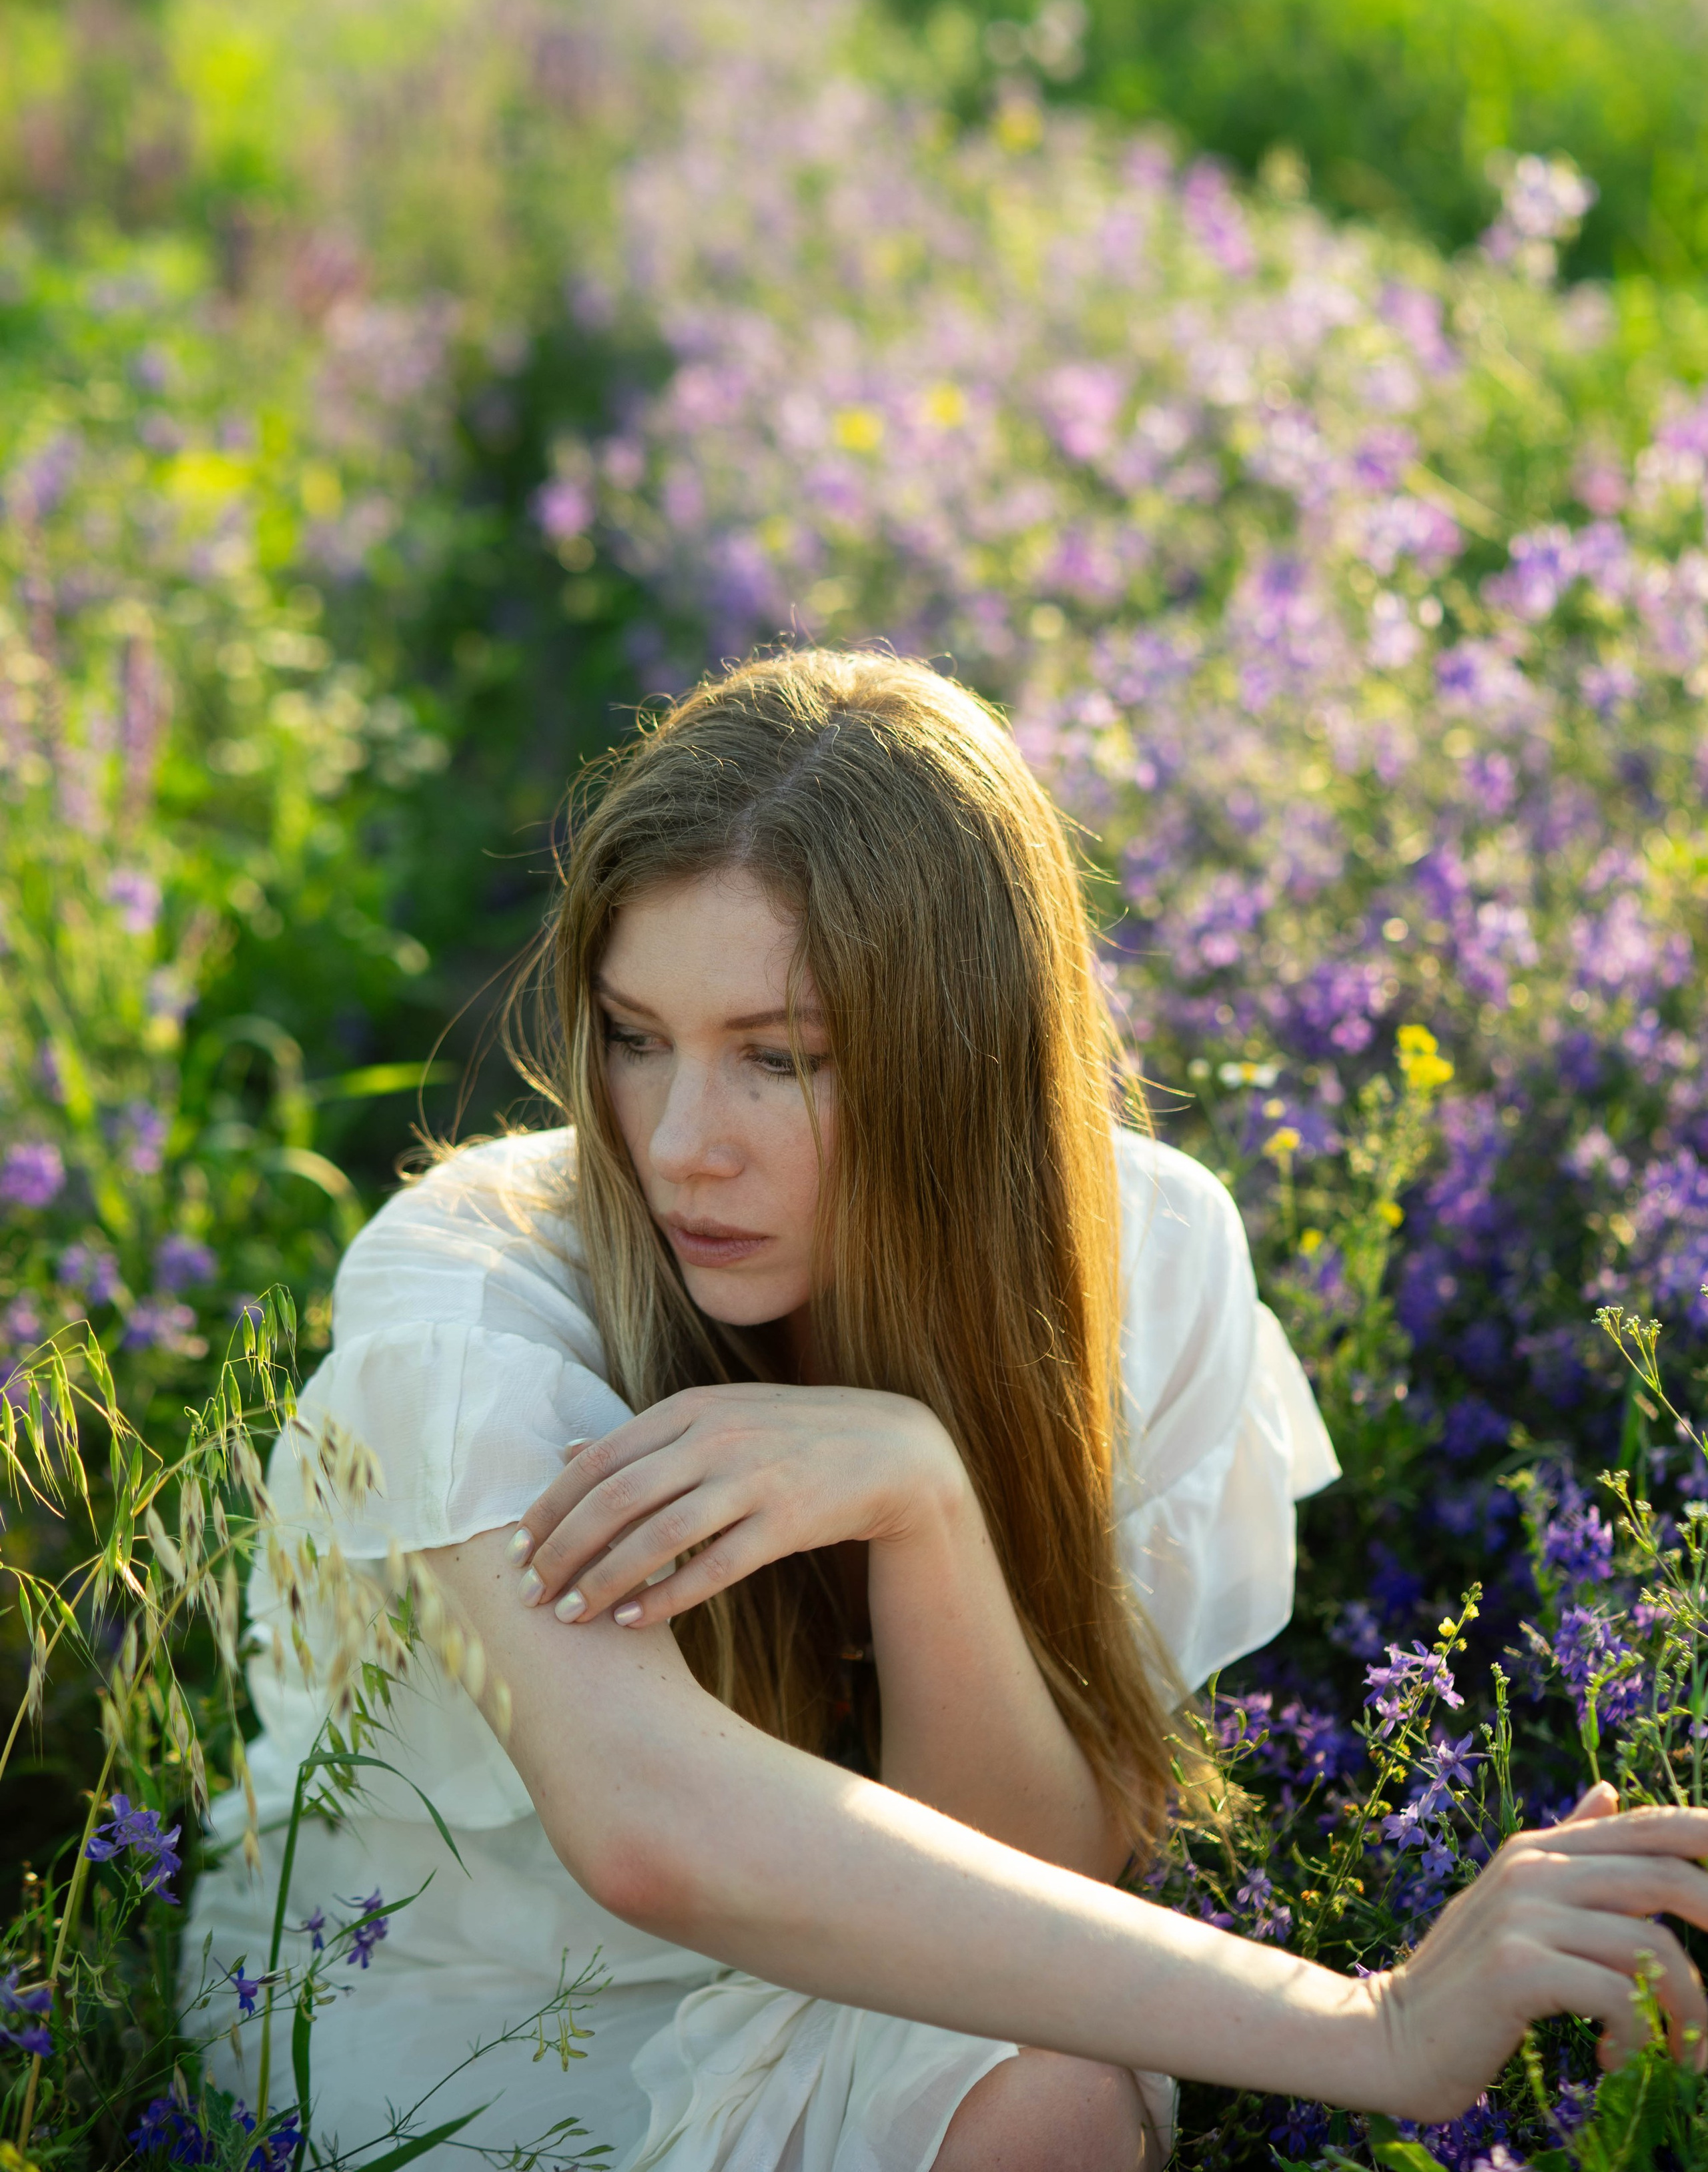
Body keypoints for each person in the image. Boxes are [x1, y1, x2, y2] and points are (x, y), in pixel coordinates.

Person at [191, 649, 1708, 2172]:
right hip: (462, 1998)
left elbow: (1031, 1866)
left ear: (961, 1063)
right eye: (635, 1037)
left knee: (1046, 2092)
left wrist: (921, 1499)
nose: (677, 1144)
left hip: (880, 1955)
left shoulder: (1148, 1258)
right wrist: (1367, 2031)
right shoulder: (474, 1283)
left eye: (779, 1060)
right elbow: (650, 1835)